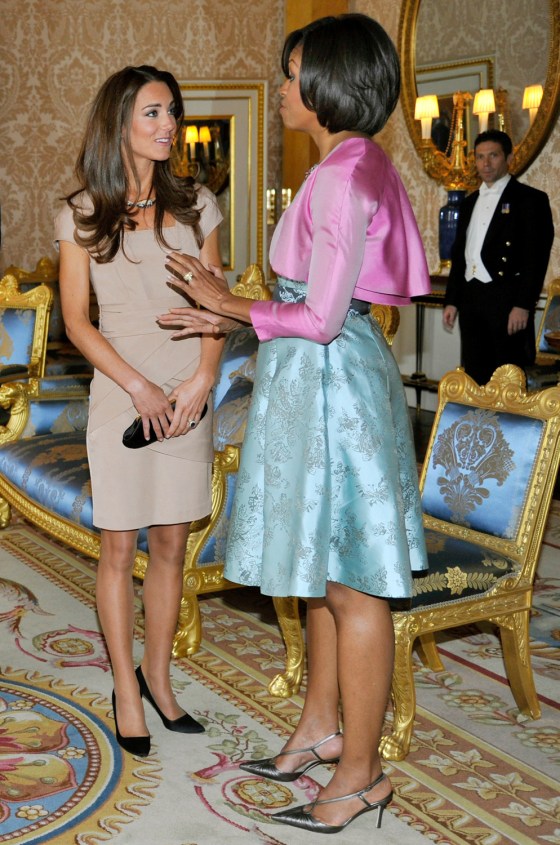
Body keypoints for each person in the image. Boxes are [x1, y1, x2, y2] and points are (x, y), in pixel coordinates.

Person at [160, 13, 430, 834]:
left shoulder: (345, 176)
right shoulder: (351, 163)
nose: (281, 87)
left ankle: (362, 770)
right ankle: (318, 726)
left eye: (290, 72)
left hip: (333, 390)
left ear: (327, 85)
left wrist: (226, 303)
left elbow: (317, 315)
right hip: (323, 384)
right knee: (321, 565)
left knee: (351, 583)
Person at [55, 65, 224, 757]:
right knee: (119, 545)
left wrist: (203, 379)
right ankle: (125, 684)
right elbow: (75, 321)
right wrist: (138, 387)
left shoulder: (198, 207)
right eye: (153, 113)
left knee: (173, 544)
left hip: (187, 396)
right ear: (120, 121)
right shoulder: (80, 213)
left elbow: (220, 303)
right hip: (120, 392)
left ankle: (158, 673)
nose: (168, 126)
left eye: (172, 113)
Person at [443, 129, 554, 386]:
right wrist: (452, 301)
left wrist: (523, 305)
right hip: (472, 298)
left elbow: (535, 259)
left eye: (493, 155)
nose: (486, 163)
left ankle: (507, 427)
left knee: (507, 376)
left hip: (506, 300)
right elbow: (461, 256)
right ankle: (479, 426)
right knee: (474, 374)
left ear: (509, 158)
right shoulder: (469, 202)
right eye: (480, 157)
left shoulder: (530, 200)